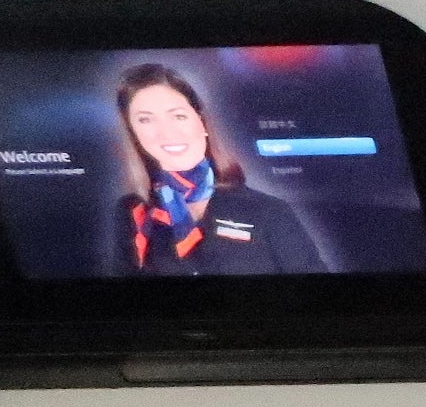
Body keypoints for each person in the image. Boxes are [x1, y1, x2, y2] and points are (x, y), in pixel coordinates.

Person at [103, 64, 330, 277]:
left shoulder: (268, 211)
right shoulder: (131, 212)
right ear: (133, 133)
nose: (166, 133)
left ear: (201, 121)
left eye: (178, 116)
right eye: (145, 120)